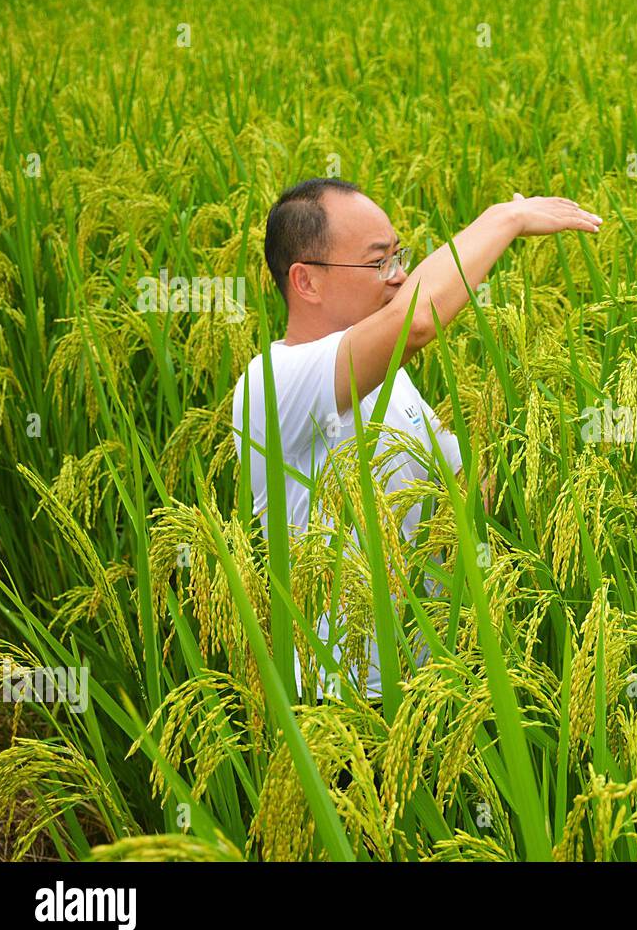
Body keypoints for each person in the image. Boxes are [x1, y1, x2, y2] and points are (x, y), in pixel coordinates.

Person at [230, 178, 602, 701]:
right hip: (345, 707)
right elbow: (419, 320)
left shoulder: (388, 381)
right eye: (379, 261)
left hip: (435, 688)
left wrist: (548, 443)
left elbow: (464, 494)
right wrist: (505, 218)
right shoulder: (273, 383)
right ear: (306, 281)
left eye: (400, 256)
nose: (399, 274)